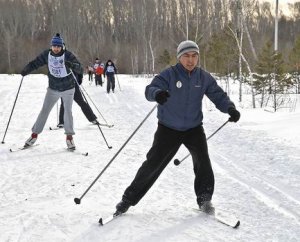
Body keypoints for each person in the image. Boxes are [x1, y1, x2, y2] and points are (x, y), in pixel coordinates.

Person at [115, 40, 240, 215]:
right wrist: (157, 94)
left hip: (193, 129)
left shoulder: (203, 77)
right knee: (153, 164)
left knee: (203, 162)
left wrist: (230, 108)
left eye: (194, 56)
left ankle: (205, 199)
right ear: (179, 57)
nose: (191, 60)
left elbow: (218, 95)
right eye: (187, 56)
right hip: (168, 128)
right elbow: (150, 89)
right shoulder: (169, 74)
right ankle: (127, 200)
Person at [20, 33, 83, 150]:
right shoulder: (46, 54)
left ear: (62, 46)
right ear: (51, 46)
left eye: (58, 46)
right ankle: (34, 135)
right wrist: (26, 69)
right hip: (53, 88)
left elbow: (80, 68)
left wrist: (72, 65)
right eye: (54, 46)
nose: (56, 48)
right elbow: (35, 63)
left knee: (67, 112)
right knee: (44, 111)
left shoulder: (68, 55)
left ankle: (69, 138)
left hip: (68, 88)